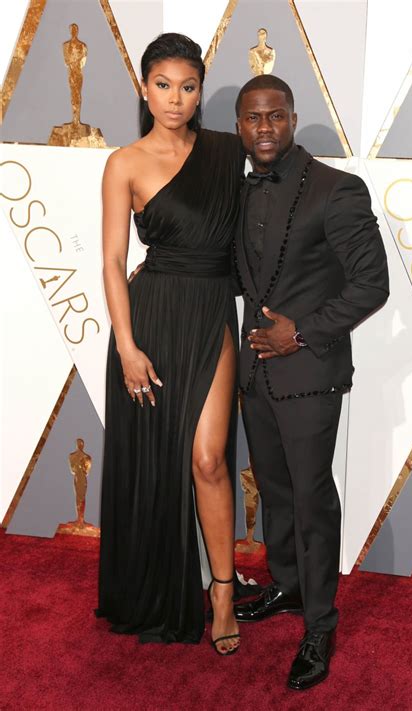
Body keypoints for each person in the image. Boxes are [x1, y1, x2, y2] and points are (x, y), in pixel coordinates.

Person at [232, 75, 389, 688]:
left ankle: (320, 625)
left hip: (309, 373)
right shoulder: (236, 190)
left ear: (293, 119)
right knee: (273, 492)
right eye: (252, 117)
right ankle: (290, 589)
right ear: (240, 125)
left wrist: (300, 334)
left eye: (274, 116)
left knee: (311, 500)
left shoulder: (337, 189)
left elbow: (371, 285)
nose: (264, 127)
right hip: (253, 374)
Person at [96, 33, 244, 655]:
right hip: (150, 322)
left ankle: (223, 591)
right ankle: (156, 586)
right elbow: (111, 261)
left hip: (211, 312)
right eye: (163, 85)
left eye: (188, 86)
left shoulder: (228, 152)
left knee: (208, 459)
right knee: (156, 464)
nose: (175, 99)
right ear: (144, 87)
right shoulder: (124, 162)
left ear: (200, 90)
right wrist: (127, 347)